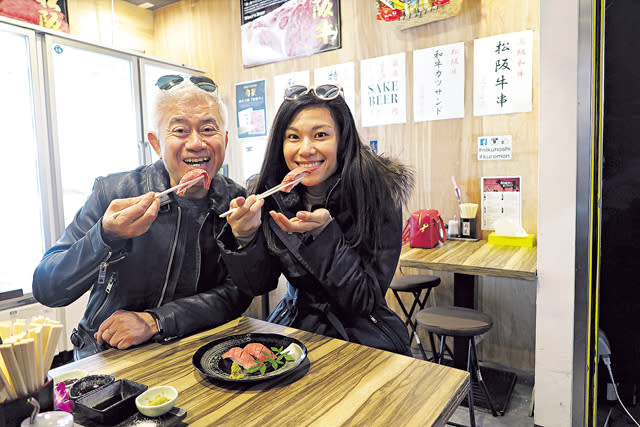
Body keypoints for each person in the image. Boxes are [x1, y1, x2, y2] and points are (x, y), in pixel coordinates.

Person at [33, 75, 252, 359]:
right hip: (106, 355)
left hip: (194, 352)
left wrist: (157, 320)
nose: (197, 143)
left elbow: (238, 292)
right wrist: (104, 236)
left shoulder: (235, 203)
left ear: (224, 140)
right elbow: (48, 289)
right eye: (181, 131)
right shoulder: (114, 192)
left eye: (208, 129)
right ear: (157, 143)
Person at [217, 84, 414, 355]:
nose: (306, 149)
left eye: (320, 135)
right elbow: (259, 284)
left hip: (363, 333)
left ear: (342, 140)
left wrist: (325, 236)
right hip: (296, 327)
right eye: (293, 137)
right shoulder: (269, 193)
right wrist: (245, 237)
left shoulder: (376, 192)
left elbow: (364, 300)